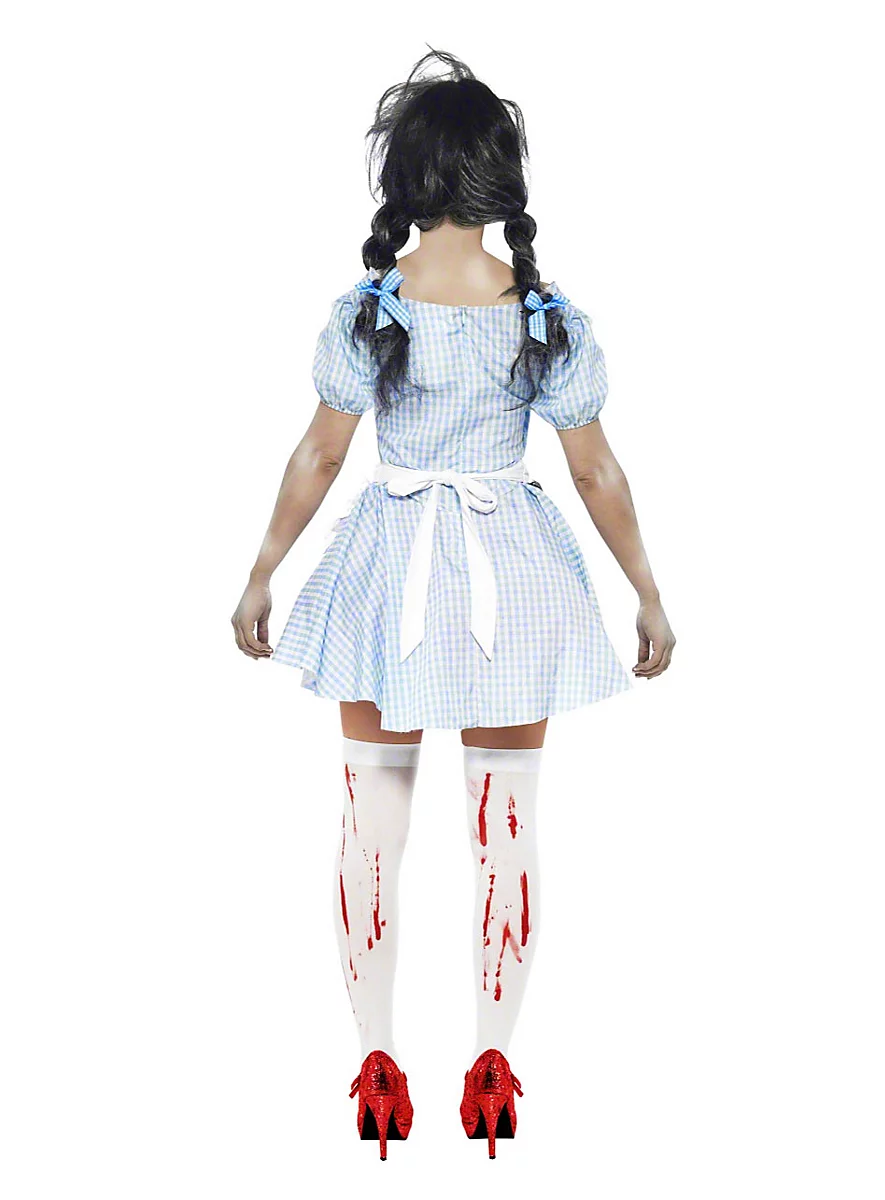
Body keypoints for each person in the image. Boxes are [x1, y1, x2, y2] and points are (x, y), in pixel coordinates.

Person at [231, 47, 675, 1160]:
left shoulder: (371, 311)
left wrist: (264, 569)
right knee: (506, 827)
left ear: (406, 177)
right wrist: (646, 593)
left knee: (370, 826)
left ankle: (377, 1062)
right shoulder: (544, 316)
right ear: (501, 179)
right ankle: (492, 1065)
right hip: (508, 578)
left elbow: (321, 454)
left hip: (390, 573)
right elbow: (595, 472)